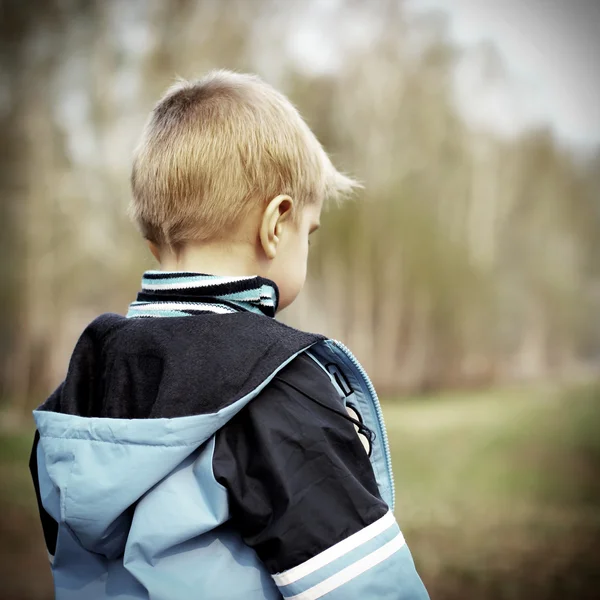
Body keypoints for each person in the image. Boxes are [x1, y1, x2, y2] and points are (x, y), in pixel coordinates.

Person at [29, 70, 430, 600]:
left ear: (155, 248)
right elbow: (366, 589)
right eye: (308, 234)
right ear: (276, 224)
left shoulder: (81, 388)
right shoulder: (270, 385)